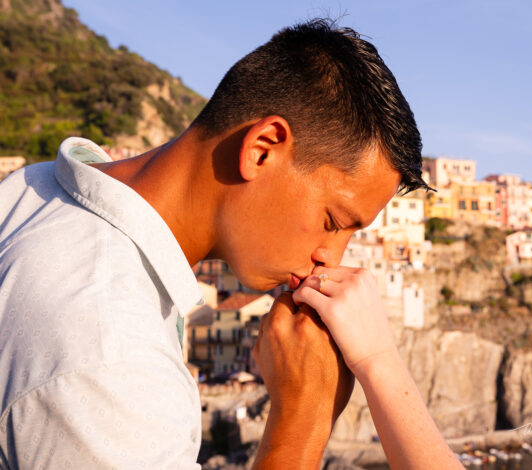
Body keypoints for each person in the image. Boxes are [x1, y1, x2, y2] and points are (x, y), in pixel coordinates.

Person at [0, 18, 461, 469]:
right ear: (261, 149)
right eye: (333, 221)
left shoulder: (28, 189)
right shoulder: (111, 361)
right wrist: (304, 417)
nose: (331, 258)